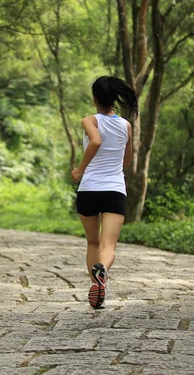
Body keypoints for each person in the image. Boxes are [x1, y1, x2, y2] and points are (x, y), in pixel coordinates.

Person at [71, 76, 137, 309]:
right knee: (108, 247)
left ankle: (95, 286)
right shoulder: (126, 126)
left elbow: (96, 140)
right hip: (114, 191)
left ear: (95, 98)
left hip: (89, 189)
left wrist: (80, 169)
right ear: (114, 100)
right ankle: (103, 272)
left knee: (92, 243)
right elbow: (126, 162)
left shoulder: (89, 120)